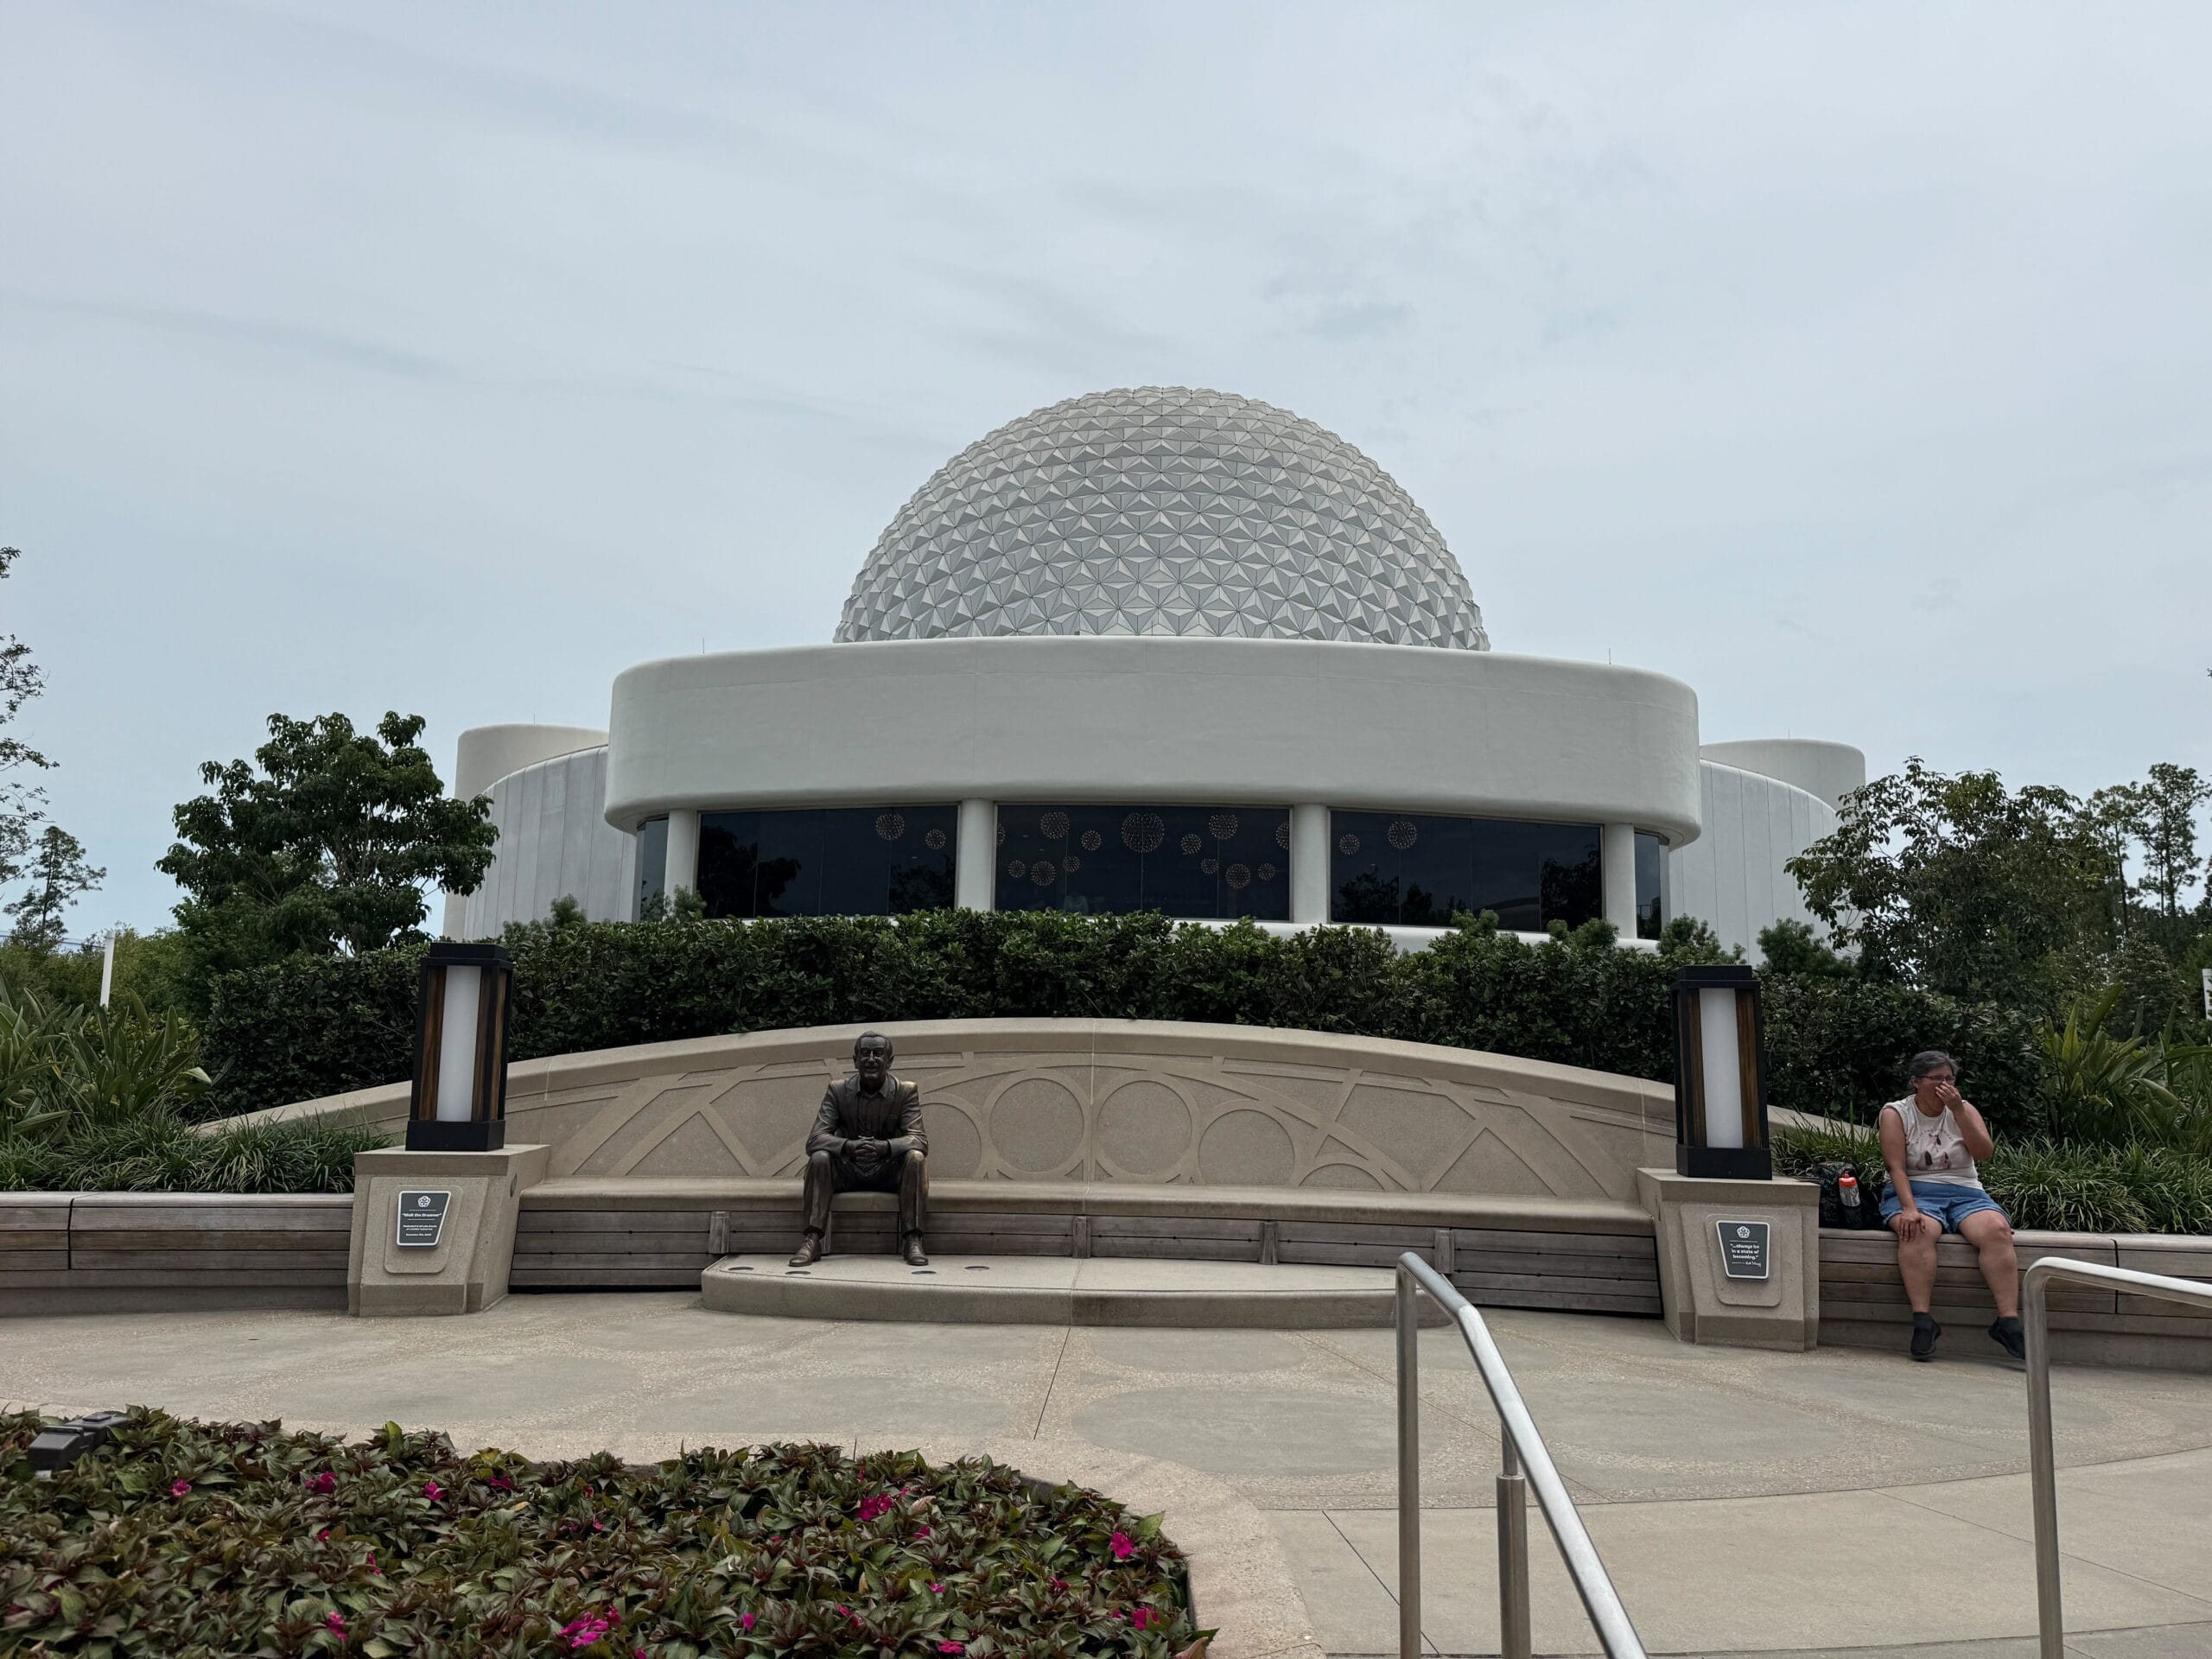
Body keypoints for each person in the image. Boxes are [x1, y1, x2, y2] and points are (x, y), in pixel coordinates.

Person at [1878, 1050, 2024, 1362]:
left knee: (1997, 1230)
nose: (1945, 1084)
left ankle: (2008, 1321)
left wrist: (1959, 1111)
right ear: (1917, 1082)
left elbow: (1984, 1153)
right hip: (1916, 1190)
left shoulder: (1963, 1108)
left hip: (1965, 1190)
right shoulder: (1896, 1113)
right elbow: (1896, 1167)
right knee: (1916, 1230)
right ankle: (1922, 1321)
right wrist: (1909, 1208)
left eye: (1949, 1078)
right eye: (1937, 1079)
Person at [788, 1031, 930, 1268]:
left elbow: (919, 1140)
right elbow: (815, 1139)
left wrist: (884, 1147)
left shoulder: (905, 1091)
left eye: (878, 1054)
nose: (871, 1059)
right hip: (849, 1170)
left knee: (915, 1158)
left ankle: (913, 1239)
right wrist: (849, 1146)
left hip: (887, 1171)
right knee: (819, 1157)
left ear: (890, 1060)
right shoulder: (838, 1090)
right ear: (855, 1060)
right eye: (865, 1053)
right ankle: (812, 1240)